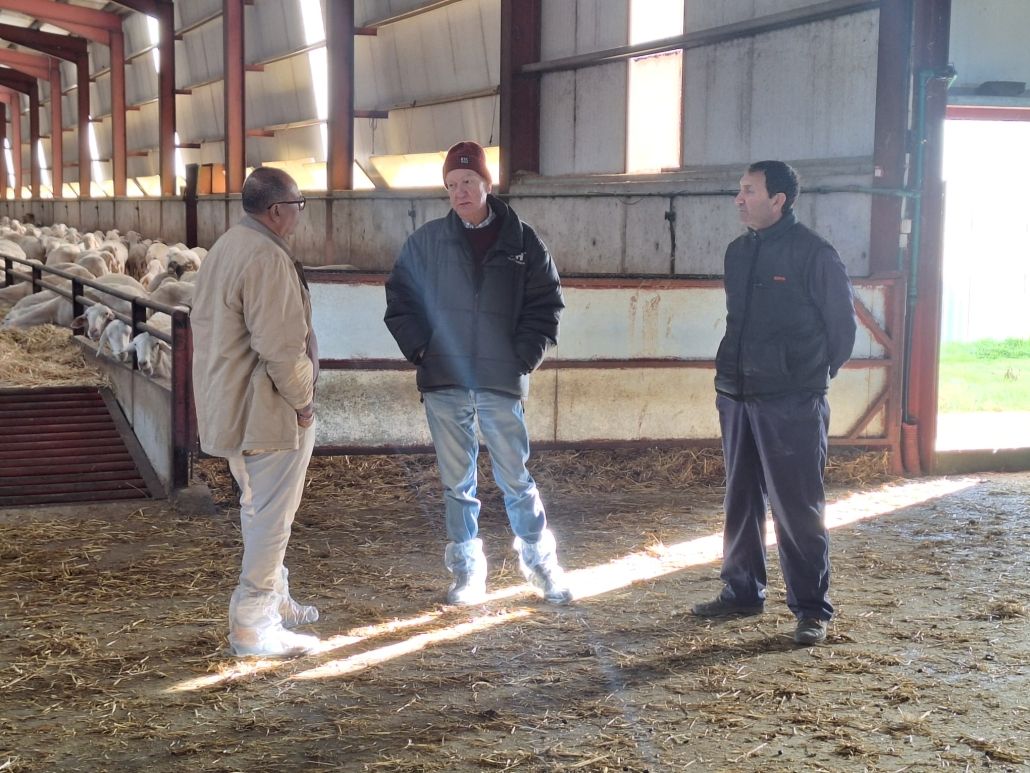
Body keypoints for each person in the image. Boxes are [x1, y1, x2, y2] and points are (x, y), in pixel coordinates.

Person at [384, 140, 572, 606]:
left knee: (515, 478)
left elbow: (546, 305)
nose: (460, 192)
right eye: (451, 184)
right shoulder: (427, 242)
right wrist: (424, 350)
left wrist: (521, 359)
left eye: (468, 181)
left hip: (499, 382)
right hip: (445, 381)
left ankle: (541, 563)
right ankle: (468, 570)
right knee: (457, 482)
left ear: (487, 184)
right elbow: (400, 300)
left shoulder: (523, 243)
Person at [692, 160, 857, 646]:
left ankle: (811, 608)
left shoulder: (814, 254)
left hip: (792, 399)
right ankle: (742, 590)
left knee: (796, 505)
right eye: (740, 190)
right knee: (740, 498)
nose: (739, 199)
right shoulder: (739, 252)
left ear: (778, 200)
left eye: (749, 190)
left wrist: (806, 378)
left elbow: (842, 329)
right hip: (737, 394)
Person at [191, 167, 321, 657]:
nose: (300, 213)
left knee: (256, 507)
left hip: (230, 403)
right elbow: (281, 348)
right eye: (298, 204)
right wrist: (303, 403)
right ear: (277, 210)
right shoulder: (266, 258)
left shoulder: (228, 245)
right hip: (264, 410)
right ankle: (254, 622)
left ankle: (274, 596)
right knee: (271, 516)